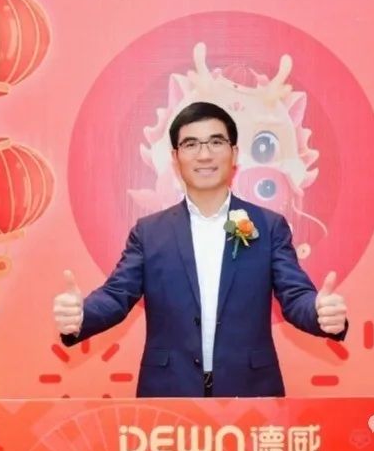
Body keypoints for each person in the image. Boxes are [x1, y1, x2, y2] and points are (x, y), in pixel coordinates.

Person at [53, 101, 348, 397]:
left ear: (234, 153)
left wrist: (319, 312)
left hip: (250, 390)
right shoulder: (149, 232)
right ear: (175, 157)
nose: (204, 155)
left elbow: (295, 295)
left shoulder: (268, 226)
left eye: (216, 142)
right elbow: (116, 295)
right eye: (191, 144)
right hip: (169, 391)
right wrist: (82, 315)